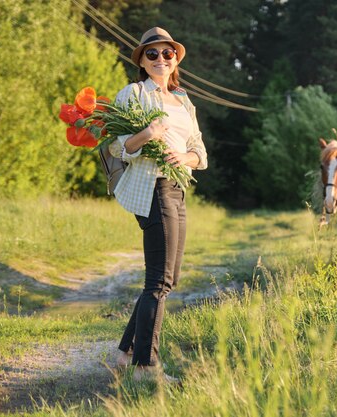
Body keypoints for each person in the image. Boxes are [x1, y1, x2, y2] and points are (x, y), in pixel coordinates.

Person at [109, 27, 207, 381]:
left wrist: (184, 157)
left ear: (175, 58)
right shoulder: (133, 94)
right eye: (152, 54)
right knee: (159, 282)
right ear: (142, 61)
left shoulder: (183, 100)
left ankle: (124, 354)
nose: (161, 59)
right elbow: (118, 148)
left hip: (177, 188)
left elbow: (200, 152)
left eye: (167, 53)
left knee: (169, 279)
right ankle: (145, 368)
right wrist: (148, 134)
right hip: (152, 189)